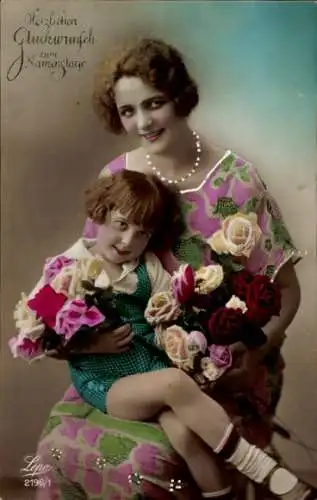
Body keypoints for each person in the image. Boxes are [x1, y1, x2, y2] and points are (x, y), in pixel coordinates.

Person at [79, 37, 310, 497]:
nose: (142, 122)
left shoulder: (238, 180)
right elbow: (84, 284)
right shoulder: (116, 179)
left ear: (180, 98)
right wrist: (96, 340)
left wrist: (258, 352)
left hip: (229, 366)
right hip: (136, 364)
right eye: (129, 112)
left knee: (189, 443)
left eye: (155, 103)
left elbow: (287, 290)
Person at [35, 169, 314, 500]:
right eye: (122, 225)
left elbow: (174, 313)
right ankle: (265, 472)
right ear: (101, 212)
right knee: (173, 383)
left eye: (141, 233)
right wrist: (91, 345)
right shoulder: (68, 266)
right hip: (107, 382)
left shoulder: (148, 266)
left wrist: (174, 320)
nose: (128, 241)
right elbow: (39, 339)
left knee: (185, 435)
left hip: (150, 371)